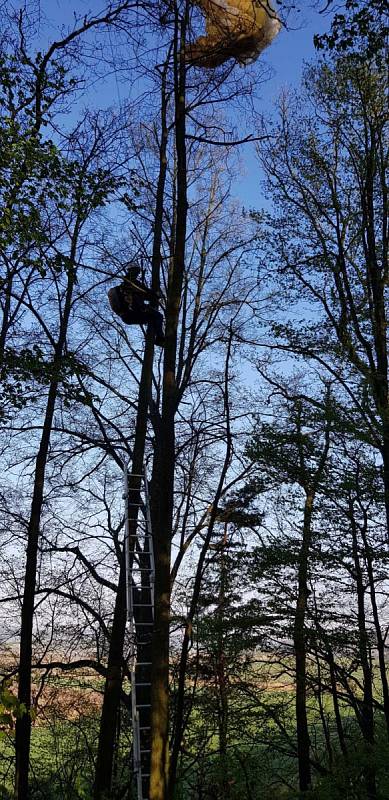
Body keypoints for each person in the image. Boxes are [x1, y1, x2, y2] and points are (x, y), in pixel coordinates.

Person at [108, 265, 165, 346]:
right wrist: (156, 295)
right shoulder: (134, 284)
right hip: (133, 313)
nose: (137, 274)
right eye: (137, 272)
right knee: (158, 316)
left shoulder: (123, 286)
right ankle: (160, 339)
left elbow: (146, 295)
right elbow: (148, 294)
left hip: (125, 317)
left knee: (151, 317)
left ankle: (156, 335)